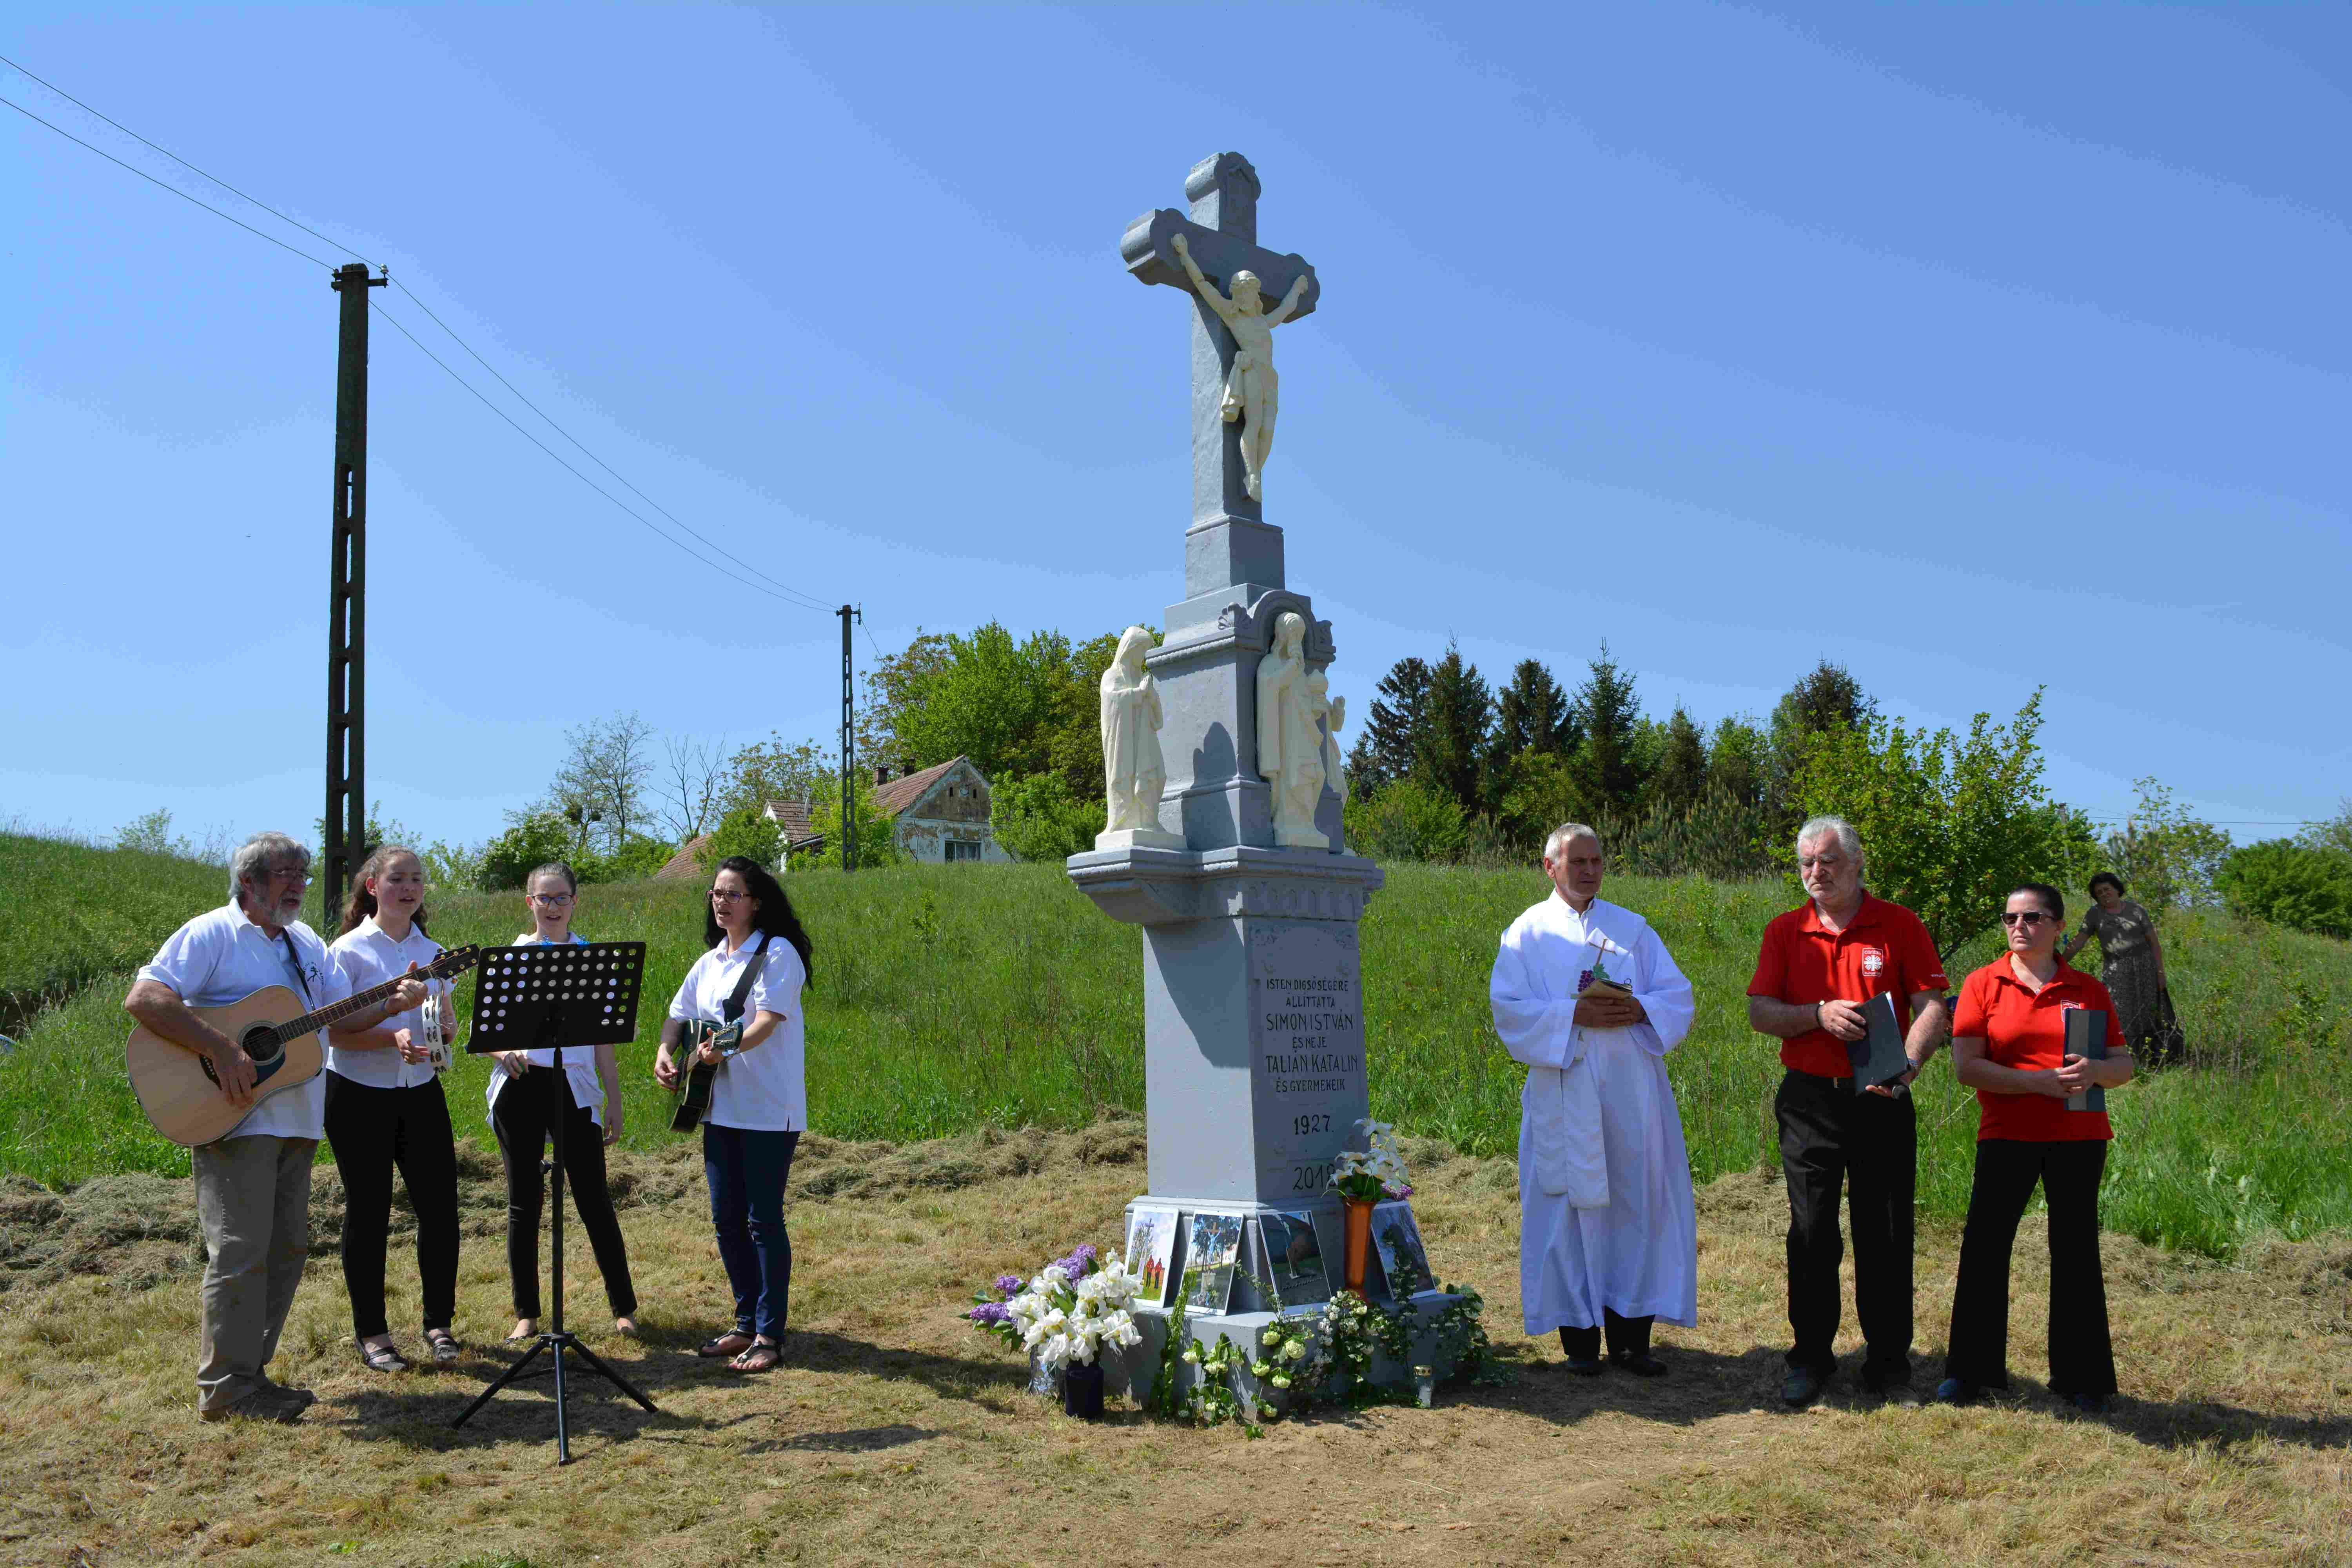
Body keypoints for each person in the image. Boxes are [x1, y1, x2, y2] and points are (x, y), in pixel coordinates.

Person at [122, 831, 423, 1422]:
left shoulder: (306, 942)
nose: (297, 885)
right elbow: (146, 998)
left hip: (300, 1116)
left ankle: (250, 1377)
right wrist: (223, 1049)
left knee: (287, 1251)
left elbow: (342, 1015)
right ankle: (224, 1390)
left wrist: (392, 1002)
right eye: (284, 874)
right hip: (233, 1116)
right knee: (239, 1252)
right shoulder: (212, 933)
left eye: (301, 875)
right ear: (249, 881)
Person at [1746, 816, 1950, 1406]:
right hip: (1809, 1100)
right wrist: (1816, 1014)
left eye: (1829, 861)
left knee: (1884, 1234)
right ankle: (1810, 1359)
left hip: (1881, 1100)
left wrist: (1909, 1065)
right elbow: (1760, 1011)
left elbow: (1932, 1005)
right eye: (1807, 862)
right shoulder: (1785, 931)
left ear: (1858, 863)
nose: (1817, 872)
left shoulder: (1900, 924)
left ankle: (1887, 1367)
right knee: (1811, 1233)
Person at [1490, 823, 1699, 1376]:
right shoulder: (1526, 934)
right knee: (1568, 1209)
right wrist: (1573, 1014)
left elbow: (1677, 995)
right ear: (1550, 867)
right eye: (1577, 861)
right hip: (1566, 1088)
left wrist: (1641, 1008)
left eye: (1596, 861)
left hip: (1632, 1090)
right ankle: (1580, 1344)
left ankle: (1632, 1340)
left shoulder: (1632, 929)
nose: (1589, 871)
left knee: (1635, 1203)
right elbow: (1509, 1012)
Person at [1939, 883, 2134, 1412]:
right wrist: (2037, 1083)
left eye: (2031, 917)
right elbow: (1967, 1067)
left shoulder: (2087, 990)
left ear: (2058, 926)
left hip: (2079, 1137)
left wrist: (2097, 1070)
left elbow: (2123, 1066)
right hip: (2007, 1133)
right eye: (2010, 918)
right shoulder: (1983, 983)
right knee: (1985, 1248)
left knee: (2075, 1251)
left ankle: (2082, 1378)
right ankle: (1969, 1372)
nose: (2018, 927)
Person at [655, 856, 813, 1375]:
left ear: (757, 902)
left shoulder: (777, 953)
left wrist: (723, 1047)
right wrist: (666, 1051)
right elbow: (678, 1015)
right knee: (727, 1220)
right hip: (719, 1108)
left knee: (763, 1220)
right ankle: (745, 1322)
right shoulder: (709, 962)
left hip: (768, 1108)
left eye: (733, 894)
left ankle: (770, 1334)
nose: (721, 902)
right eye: (716, 893)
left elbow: (766, 1022)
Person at [325, 845, 465, 1372]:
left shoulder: (435, 951)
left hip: (421, 1090)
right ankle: (373, 1334)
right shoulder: (347, 951)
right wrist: (392, 1035)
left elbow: (447, 1023)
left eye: (416, 880)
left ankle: (439, 1324)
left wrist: (442, 1035)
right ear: (373, 887)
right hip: (357, 1093)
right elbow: (335, 1034)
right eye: (397, 879)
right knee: (370, 1211)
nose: (409, 888)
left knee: (440, 1209)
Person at [488, 862, 639, 1343]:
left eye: (561, 898)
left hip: (574, 1085)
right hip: (522, 1082)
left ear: (575, 901)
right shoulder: (513, 956)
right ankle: (527, 1313)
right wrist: (504, 1052)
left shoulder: (592, 959)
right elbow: (488, 1029)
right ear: (529, 902)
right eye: (543, 898)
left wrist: (614, 1100)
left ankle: (624, 1307)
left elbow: (604, 1041)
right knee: (524, 1202)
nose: (552, 907)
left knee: (593, 1197)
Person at [2060, 873, 2179, 1067]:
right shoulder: (2094, 914)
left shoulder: (2136, 910)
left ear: (2117, 889)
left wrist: (2160, 972)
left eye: (2107, 889)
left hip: (2145, 968)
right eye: (2099, 893)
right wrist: (2061, 962)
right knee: (2119, 1012)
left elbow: (2155, 944)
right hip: (2116, 970)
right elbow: (2080, 941)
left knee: (2148, 1011)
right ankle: (2125, 1059)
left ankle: (2154, 1058)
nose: (2104, 894)